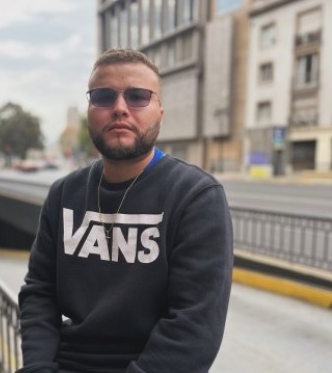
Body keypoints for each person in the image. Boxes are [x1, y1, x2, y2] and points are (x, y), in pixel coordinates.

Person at [16, 48, 233, 373]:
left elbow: (195, 327)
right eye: (103, 96)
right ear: (90, 111)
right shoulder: (63, 194)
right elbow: (39, 293)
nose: (119, 108)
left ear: (160, 112)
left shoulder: (196, 196)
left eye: (137, 96)